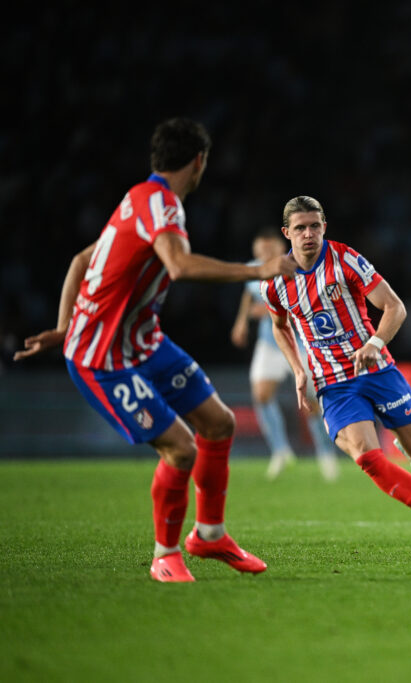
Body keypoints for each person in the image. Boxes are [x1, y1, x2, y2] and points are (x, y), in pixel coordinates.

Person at [14, 117, 297, 582]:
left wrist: (63, 324)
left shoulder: (137, 199)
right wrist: (259, 271)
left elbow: (81, 261)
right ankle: (165, 555)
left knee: (219, 423)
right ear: (199, 162)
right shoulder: (161, 205)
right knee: (182, 449)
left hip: (143, 342)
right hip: (101, 356)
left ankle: (209, 534)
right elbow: (179, 266)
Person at [262, 195, 411, 544]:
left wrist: (374, 344)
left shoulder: (345, 259)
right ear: (287, 232)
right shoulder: (275, 281)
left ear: (324, 226)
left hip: (377, 370)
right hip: (333, 383)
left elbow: (395, 307)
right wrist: (298, 370)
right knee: (367, 456)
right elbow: (279, 326)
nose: (309, 234)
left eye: (315, 226)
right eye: (300, 228)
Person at [231, 228, 340, 482]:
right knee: (261, 394)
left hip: (301, 344)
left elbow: (307, 307)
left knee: (311, 403)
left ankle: (325, 454)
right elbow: (249, 295)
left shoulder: (296, 269)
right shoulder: (255, 269)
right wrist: (240, 323)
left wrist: (272, 313)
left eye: (269, 249)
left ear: (282, 247)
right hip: (269, 345)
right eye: (260, 250)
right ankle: (281, 452)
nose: (264, 254)